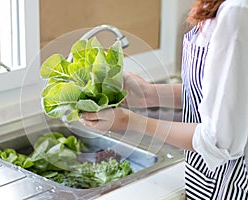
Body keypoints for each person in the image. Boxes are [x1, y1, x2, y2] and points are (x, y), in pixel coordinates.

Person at [81, 0, 248, 199]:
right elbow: (229, 98)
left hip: (231, 186)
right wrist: (148, 94)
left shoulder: (236, 10)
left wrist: (130, 121)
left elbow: (219, 141)